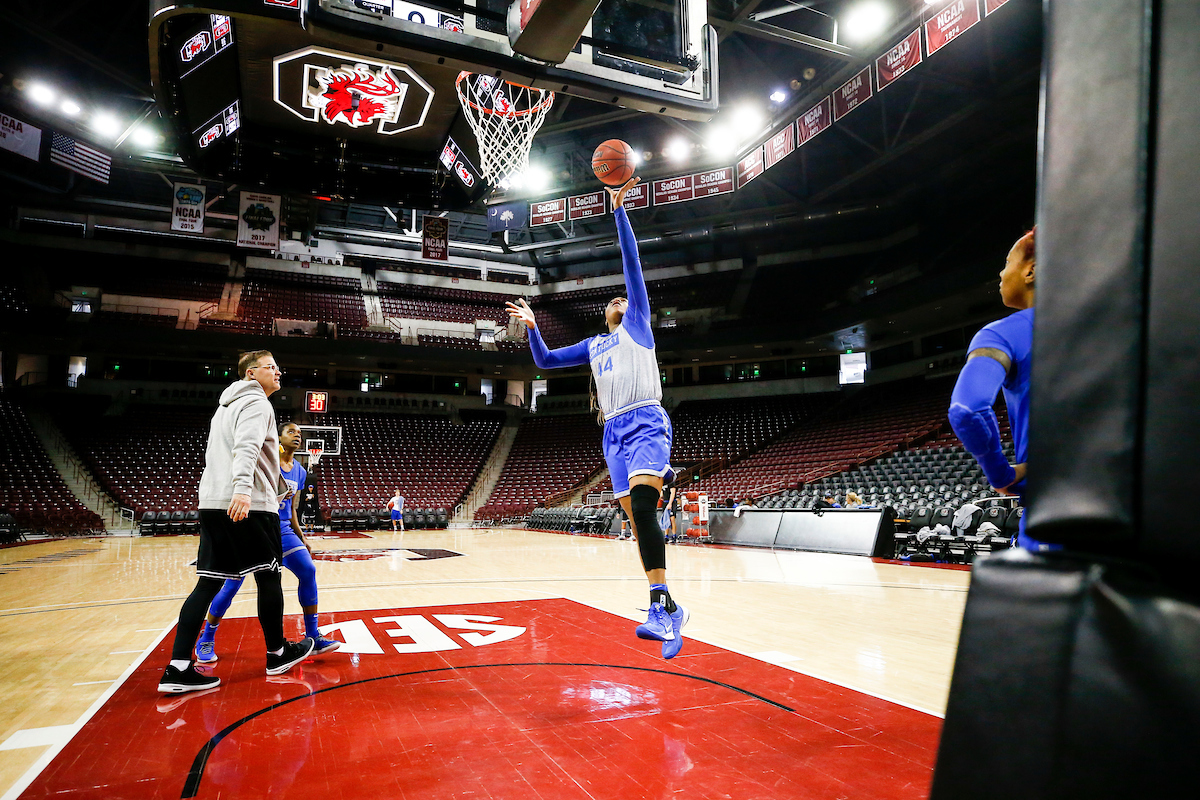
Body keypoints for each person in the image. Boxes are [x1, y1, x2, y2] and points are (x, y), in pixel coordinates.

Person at [507, 177, 688, 660]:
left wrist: (619, 211)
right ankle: (668, 603)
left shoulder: (637, 323)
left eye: (623, 299)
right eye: (612, 300)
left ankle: (655, 605)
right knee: (634, 519)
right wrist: (532, 329)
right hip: (613, 433)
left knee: (645, 512)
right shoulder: (593, 345)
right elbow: (545, 362)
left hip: (646, 418)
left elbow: (632, 268)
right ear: (602, 313)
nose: (619, 300)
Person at [158, 351, 314, 694]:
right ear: (250, 373)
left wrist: (276, 485)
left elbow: (238, 454)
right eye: (270, 366)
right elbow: (246, 448)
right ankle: (277, 653)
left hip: (214, 502)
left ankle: (178, 667)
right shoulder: (257, 403)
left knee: (208, 584)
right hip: (249, 506)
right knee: (269, 576)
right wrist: (244, 490)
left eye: (278, 366)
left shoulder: (225, 406)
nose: (278, 371)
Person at [193, 422, 342, 665]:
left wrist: (302, 536)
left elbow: (293, 508)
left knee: (308, 570)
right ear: (278, 437)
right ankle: (206, 637)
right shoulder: (265, 462)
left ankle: (313, 635)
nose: (297, 436)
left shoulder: (301, 472)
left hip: (282, 529)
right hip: (254, 527)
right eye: (291, 432)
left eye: (299, 434)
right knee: (232, 585)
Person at [948, 227, 1053, 551]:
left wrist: (1001, 474)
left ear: (1030, 270)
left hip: (1055, 515)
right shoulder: (1122, 326)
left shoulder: (1004, 334)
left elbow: (967, 411)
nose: (1000, 271)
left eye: (1008, 261)